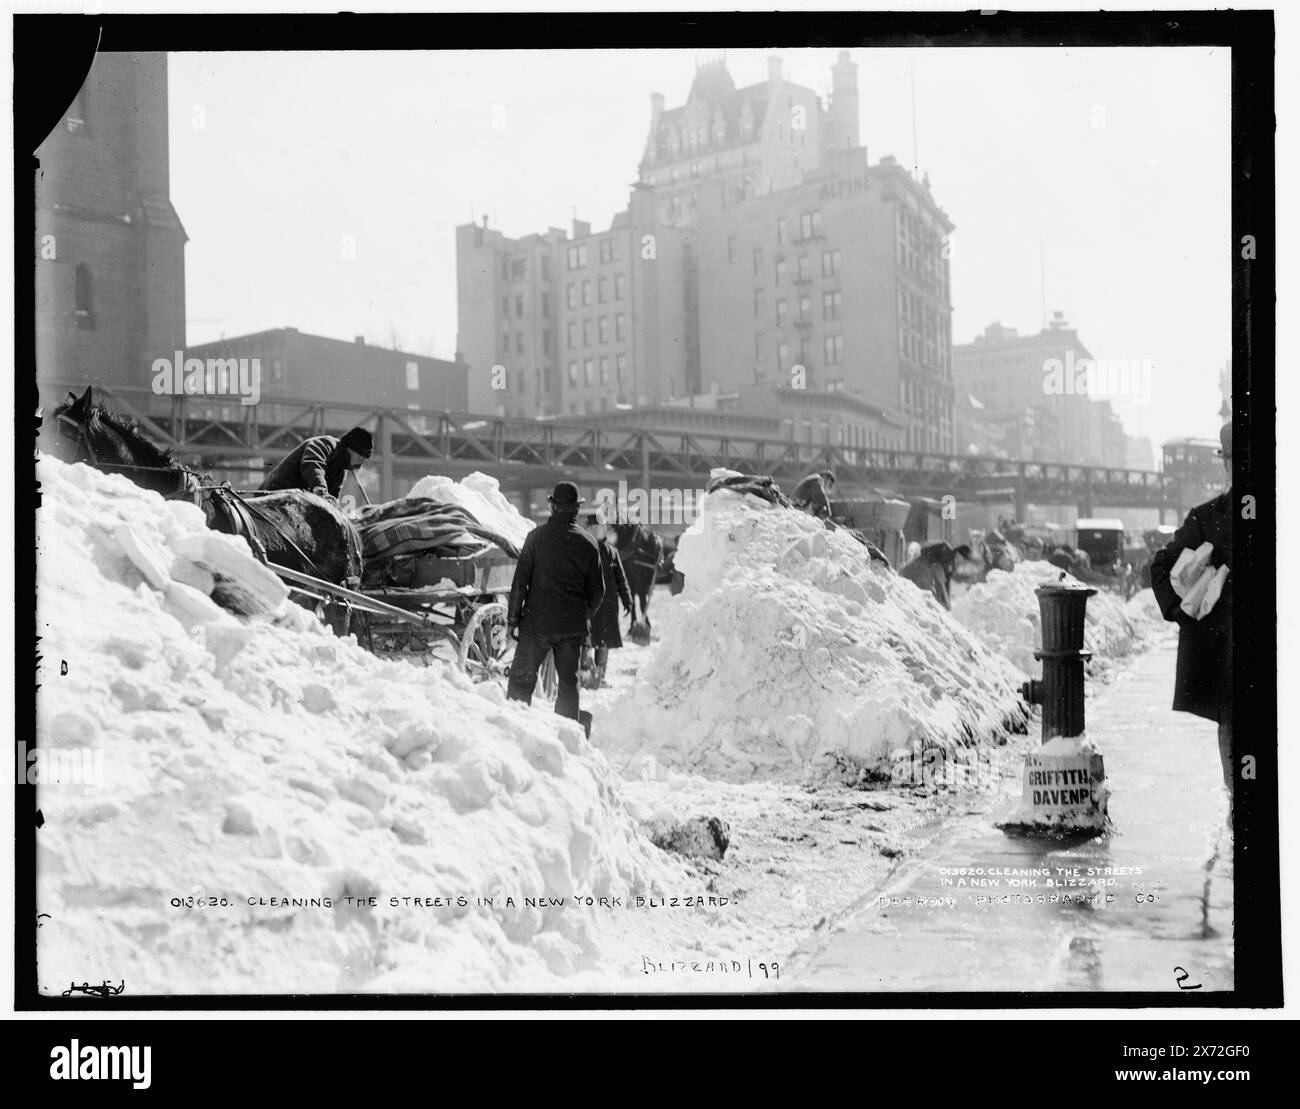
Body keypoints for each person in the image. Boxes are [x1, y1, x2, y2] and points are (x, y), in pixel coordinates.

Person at [1150, 420, 1234, 812]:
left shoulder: (1211, 517)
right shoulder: (1208, 518)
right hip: (1232, 661)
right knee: (1235, 736)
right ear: (1228, 464)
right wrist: (1181, 613)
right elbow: (1162, 564)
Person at [507, 481, 605, 724]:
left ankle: (516, 729)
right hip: (571, 627)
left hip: (536, 623)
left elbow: (520, 583)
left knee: (521, 681)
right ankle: (566, 734)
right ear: (576, 510)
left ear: (552, 507)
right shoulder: (589, 543)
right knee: (568, 684)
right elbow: (598, 591)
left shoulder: (535, 538)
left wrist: (513, 620)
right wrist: (582, 614)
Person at [583, 518, 633, 689]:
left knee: (603, 641)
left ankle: (601, 676)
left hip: (608, 606)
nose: (597, 530)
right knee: (587, 640)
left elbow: (621, 578)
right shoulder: (582, 551)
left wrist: (627, 599)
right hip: (588, 605)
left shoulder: (612, 552)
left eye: (600, 527)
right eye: (593, 527)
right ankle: (587, 674)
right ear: (588, 529)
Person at [260, 427, 373, 500]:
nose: (361, 462)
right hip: (272, 494)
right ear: (351, 449)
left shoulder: (341, 471)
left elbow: (333, 496)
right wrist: (320, 489)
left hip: (294, 502)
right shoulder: (326, 444)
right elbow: (313, 464)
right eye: (360, 457)